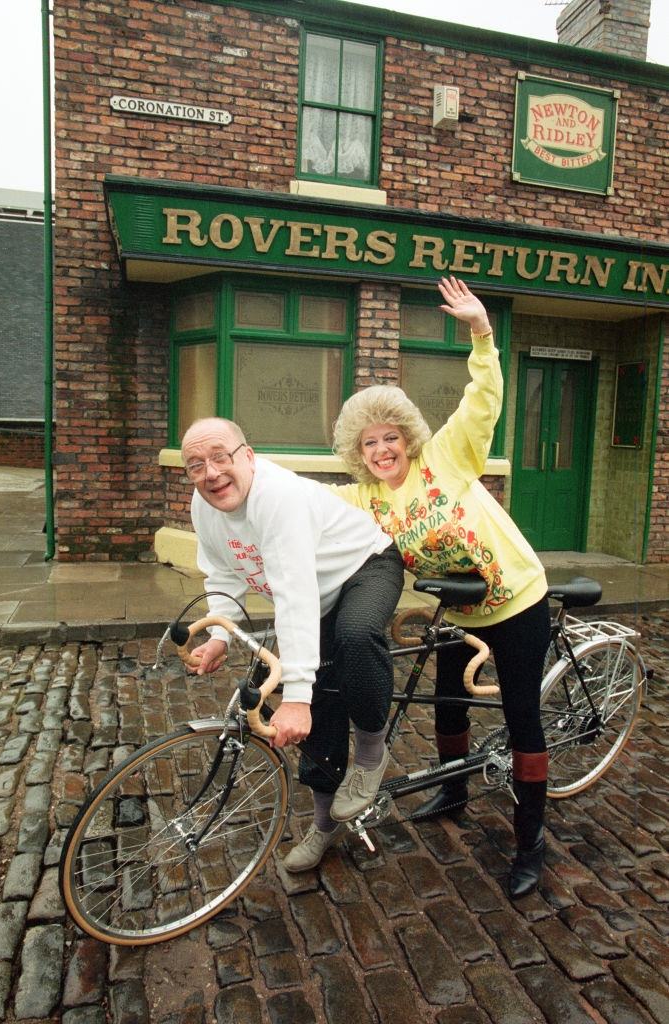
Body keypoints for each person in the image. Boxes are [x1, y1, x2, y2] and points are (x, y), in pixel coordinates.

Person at [331, 276, 551, 899]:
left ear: (408, 437)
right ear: (358, 451)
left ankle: (531, 841)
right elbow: (308, 504)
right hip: (460, 611)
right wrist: (242, 479)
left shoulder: (447, 459)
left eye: (390, 437)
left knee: (521, 716)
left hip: (517, 601)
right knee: (448, 705)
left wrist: (481, 332)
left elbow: (482, 401)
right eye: (370, 442)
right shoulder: (366, 499)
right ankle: (454, 789)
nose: (382, 450)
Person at [180, 417, 404, 873]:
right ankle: (324, 827)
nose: (211, 473)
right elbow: (223, 571)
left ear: (248, 456)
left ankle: (370, 754)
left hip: (365, 566)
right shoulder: (204, 506)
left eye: (220, 457)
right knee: (319, 703)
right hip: (315, 594)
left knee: (355, 635)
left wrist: (296, 697)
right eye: (196, 465)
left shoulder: (277, 498)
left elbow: (294, 594)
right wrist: (220, 636)